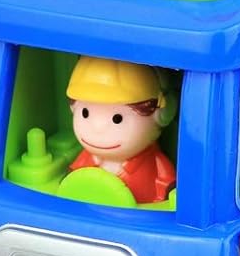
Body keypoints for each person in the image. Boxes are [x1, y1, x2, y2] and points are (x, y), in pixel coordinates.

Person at [66, 57, 177, 203]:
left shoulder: (154, 161)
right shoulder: (89, 157)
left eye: (117, 119)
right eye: (85, 113)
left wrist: (169, 188)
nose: (97, 127)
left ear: (163, 113)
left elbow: (167, 180)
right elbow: (74, 173)